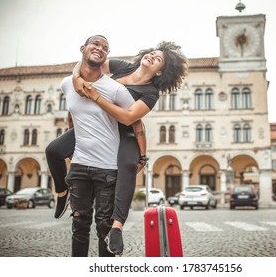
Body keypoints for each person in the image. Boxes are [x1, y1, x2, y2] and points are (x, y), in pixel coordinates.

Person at [45, 40, 188, 255]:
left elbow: (130, 117)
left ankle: (117, 226)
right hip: (97, 125)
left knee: (128, 166)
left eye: (158, 59)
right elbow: (87, 65)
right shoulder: (124, 67)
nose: (151, 56)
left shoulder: (150, 93)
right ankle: (62, 190)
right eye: (152, 52)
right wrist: (76, 78)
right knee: (53, 150)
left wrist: (95, 96)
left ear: (160, 72)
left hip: (124, 133)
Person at [60, 34, 136, 257]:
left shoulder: (115, 90)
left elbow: (133, 119)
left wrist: (138, 156)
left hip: (107, 168)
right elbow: (72, 114)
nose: (100, 48)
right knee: (79, 225)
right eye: (95, 44)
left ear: (106, 56)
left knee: (104, 225)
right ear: (83, 47)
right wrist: (73, 145)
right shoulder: (67, 83)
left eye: (105, 47)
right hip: (79, 165)